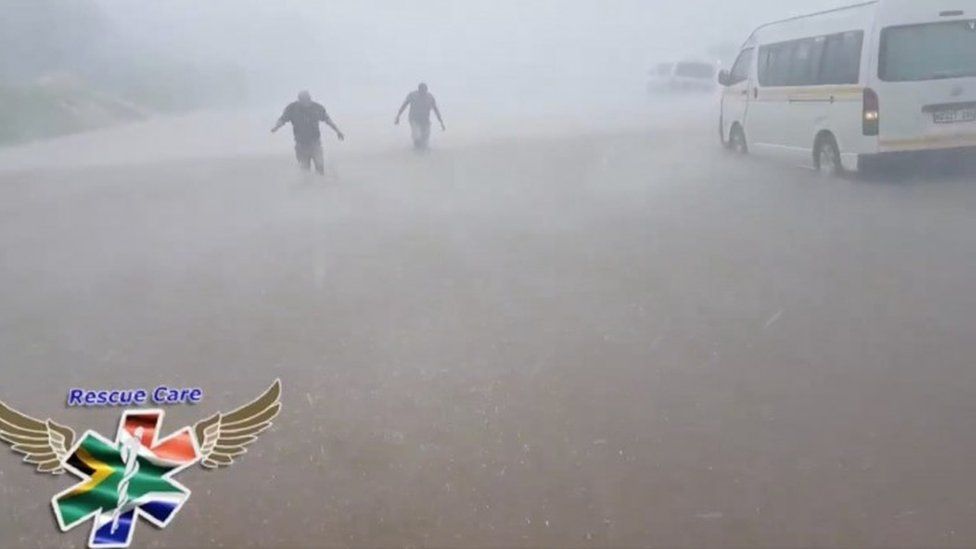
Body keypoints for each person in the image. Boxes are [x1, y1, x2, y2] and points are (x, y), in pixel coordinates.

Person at [272, 90, 344, 174]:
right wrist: (276, 127)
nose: (306, 102)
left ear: (310, 98)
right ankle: (308, 184)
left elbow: (327, 120)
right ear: (299, 100)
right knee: (305, 169)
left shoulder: (317, 108)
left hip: (315, 143)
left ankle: (321, 184)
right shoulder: (292, 108)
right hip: (300, 144)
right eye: (303, 99)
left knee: (319, 166)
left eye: (307, 99)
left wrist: (337, 131)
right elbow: (282, 119)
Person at [395, 83, 445, 149]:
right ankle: (416, 152)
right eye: (421, 91)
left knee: (425, 139)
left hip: (425, 120)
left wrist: (441, 122)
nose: (423, 93)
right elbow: (404, 105)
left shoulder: (430, 97)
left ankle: (423, 155)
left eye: (424, 91)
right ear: (419, 90)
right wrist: (398, 116)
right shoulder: (412, 96)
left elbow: (435, 110)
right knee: (417, 137)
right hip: (414, 119)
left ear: (426, 90)